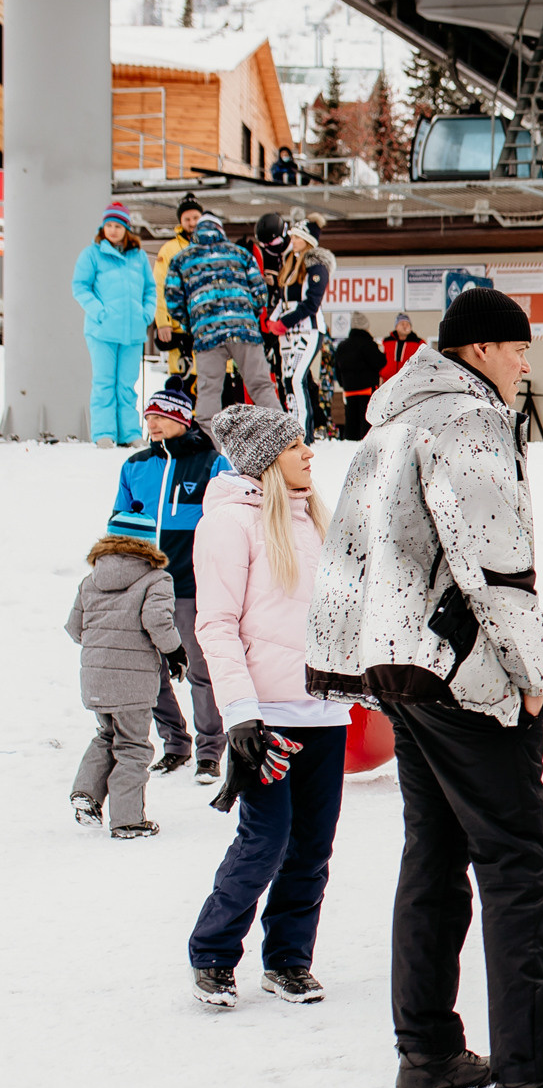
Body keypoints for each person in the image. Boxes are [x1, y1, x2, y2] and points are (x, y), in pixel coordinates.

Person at [307, 287, 543, 1088]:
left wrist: (348, 658)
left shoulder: (391, 422)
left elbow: (351, 550)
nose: (527, 362)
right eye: (519, 348)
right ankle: (530, 1077)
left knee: (435, 852)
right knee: (518, 863)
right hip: (463, 670)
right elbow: (494, 560)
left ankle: (428, 1050)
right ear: (483, 349)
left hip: (400, 664)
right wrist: (531, 670)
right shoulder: (470, 421)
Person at [185, 405, 348, 1008]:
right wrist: (240, 714)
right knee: (266, 840)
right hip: (266, 717)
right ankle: (213, 953)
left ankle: (288, 961)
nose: (309, 453)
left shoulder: (314, 520)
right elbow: (217, 625)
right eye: (296, 445)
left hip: (323, 713)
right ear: (263, 460)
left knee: (312, 846)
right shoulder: (230, 524)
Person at [110, 386, 233, 782]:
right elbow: (118, 526)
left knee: (200, 669)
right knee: (150, 672)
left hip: (190, 587)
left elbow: (230, 521)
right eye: (149, 418)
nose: (153, 424)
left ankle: (210, 750)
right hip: (142, 588)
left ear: (182, 419)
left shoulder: (212, 463)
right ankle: (175, 744)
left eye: (161, 417)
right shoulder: (135, 466)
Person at [66, 532, 181, 840]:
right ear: (147, 544)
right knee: (132, 745)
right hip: (132, 680)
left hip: (95, 676)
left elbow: (75, 629)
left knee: (107, 734)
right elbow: (157, 620)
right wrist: (175, 651)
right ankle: (129, 821)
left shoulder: (91, 580)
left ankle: (86, 793)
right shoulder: (156, 579)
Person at [165, 214, 279, 426]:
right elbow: (260, 293)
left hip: (206, 334)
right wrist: (248, 317)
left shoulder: (181, 258)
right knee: (261, 386)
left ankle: (209, 450)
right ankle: (284, 440)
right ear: (220, 230)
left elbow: (172, 299)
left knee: (209, 391)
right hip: (245, 331)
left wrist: (191, 325)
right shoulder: (241, 254)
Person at [72, 202, 159, 448]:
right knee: (104, 382)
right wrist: (99, 312)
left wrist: (146, 314)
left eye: (118, 225)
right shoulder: (91, 254)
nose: (113, 230)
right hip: (102, 332)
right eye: (109, 225)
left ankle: (130, 433)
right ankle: (104, 433)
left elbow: (150, 289)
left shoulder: (139, 256)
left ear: (126, 229)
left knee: (126, 385)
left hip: (132, 333)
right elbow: (80, 287)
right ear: (103, 227)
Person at [271, 221, 335, 441]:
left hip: (308, 330)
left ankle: (303, 434)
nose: (293, 241)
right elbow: (283, 298)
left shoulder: (316, 266)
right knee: (287, 379)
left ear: (308, 241)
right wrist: (271, 320)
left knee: (298, 378)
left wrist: (284, 321)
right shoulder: (290, 263)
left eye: (298, 237)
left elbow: (311, 303)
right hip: (288, 333)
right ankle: (291, 429)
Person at [153, 195, 205, 394]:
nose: (192, 223)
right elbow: (159, 286)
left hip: (207, 328)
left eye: (195, 218)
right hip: (180, 329)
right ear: (181, 222)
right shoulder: (169, 250)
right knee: (182, 384)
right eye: (187, 219)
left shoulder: (211, 246)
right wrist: (162, 322)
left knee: (211, 384)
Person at [332, 313, 385, 441]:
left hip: (349, 389)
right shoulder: (368, 344)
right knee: (366, 422)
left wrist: (343, 384)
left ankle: (348, 445)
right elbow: (380, 362)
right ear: (365, 327)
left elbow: (336, 368)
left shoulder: (342, 346)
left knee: (351, 420)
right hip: (367, 389)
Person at [379, 314, 424, 384]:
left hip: (409, 382)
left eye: (408, 324)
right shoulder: (386, 341)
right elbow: (379, 360)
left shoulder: (419, 343)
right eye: (402, 324)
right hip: (387, 382)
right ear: (396, 327)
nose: (405, 326)